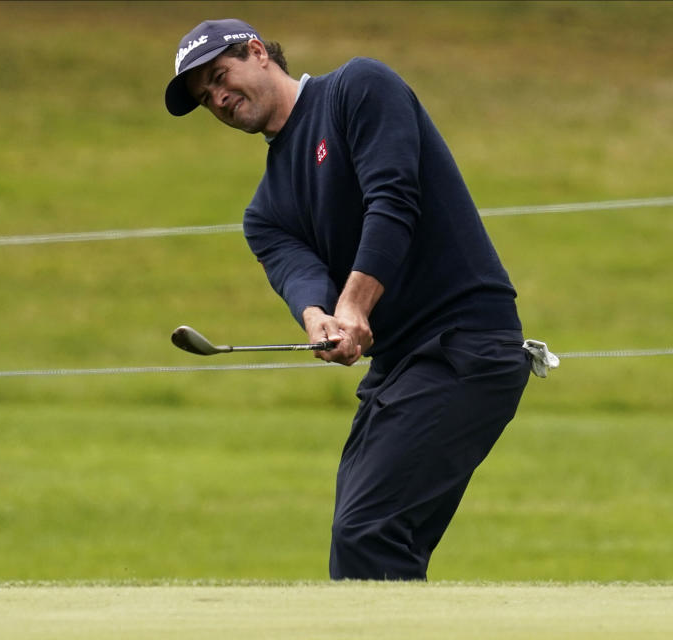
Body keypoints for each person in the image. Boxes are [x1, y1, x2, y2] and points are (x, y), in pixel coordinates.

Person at [165, 18, 535, 580]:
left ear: (259, 53)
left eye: (221, 75)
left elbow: (393, 201)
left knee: (368, 529)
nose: (218, 98)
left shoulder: (357, 89)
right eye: (205, 97)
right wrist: (320, 319)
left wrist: (355, 305)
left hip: (467, 345)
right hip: (402, 367)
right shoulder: (264, 212)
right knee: (364, 536)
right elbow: (300, 277)